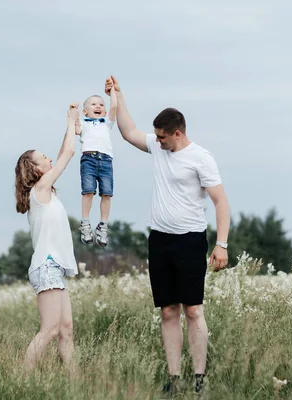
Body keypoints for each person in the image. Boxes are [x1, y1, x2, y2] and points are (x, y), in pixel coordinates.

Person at [105, 75, 231, 396]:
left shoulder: (201, 158)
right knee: (168, 311)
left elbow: (220, 201)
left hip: (190, 241)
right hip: (160, 241)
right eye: (156, 137)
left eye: (162, 137)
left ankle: (200, 379)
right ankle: (174, 380)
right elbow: (128, 131)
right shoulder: (158, 148)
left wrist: (221, 244)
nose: (157, 142)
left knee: (193, 310)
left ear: (178, 134)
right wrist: (118, 96)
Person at [14, 101, 80, 373]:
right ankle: (23, 378)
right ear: (35, 168)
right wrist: (71, 120)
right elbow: (68, 153)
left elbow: (64, 150)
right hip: (47, 266)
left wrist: (72, 128)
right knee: (50, 330)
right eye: (44, 158)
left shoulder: (46, 192)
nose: (50, 159)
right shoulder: (40, 189)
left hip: (54, 268)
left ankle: (77, 387)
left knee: (66, 331)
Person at [75, 89, 117, 247]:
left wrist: (112, 91)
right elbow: (76, 130)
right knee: (88, 191)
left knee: (107, 193)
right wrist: (73, 113)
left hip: (106, 160)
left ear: (104, 111)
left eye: (101, 104)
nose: (98, 106)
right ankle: (85, 224)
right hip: (89, 159)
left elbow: (114, 106)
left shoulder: (106, 123)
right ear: (85, 111)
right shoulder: (83, 123)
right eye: (93, 104)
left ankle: (103, 225)